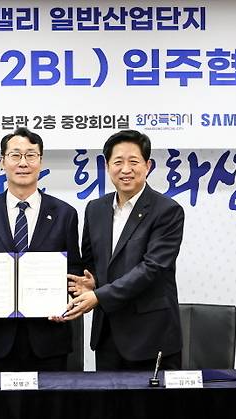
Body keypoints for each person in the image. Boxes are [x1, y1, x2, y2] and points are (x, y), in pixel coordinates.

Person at [0, 127, 83, 372]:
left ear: (41, 161)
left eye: (31, 155)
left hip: (49, 338)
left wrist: (66, 302)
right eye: (15, 155)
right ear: (2, 161)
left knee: (50, 399)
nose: (23, 163)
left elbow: (73, 269)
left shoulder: (65, 213)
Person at [65, 129, 184, 371]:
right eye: (118, 162)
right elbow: (91, 261)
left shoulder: (167, 211)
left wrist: (99, 296)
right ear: (107, 166)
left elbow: (152, 268)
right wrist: (91, 282)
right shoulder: (95, 209)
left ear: (148, 166)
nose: (125, 169)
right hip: (107, 334)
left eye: (134, 161)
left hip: (151, 336)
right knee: (108, 397)